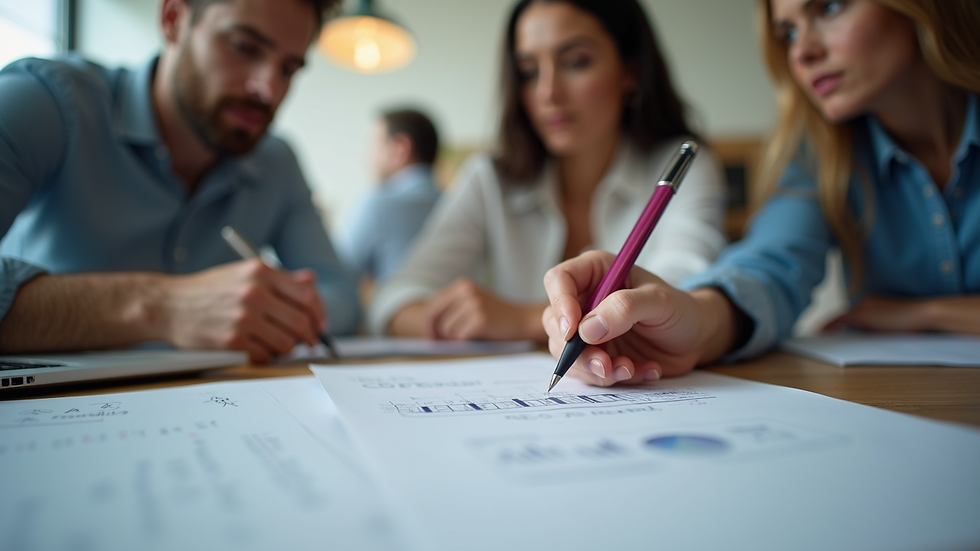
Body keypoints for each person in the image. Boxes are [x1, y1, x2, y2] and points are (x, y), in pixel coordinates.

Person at [542, 0, 980, 386]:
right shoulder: (823, 153)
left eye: (828, 8)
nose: (803, 52)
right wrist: (692, 318)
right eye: (787, 33)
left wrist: (925, 314)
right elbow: (769, 269)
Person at [0, 0, 361, 363]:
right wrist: (163, 306)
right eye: (244, 47)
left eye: (288, 69)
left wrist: (271, 307)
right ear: (173, 19)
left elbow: (341, 297)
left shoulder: (277, 162)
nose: (268, 89)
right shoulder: (43, 100)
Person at [369, 0, 728, 342]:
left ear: (630, 70)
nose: (547, 92)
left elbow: (686, 304)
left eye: (576, 62)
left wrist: (521, 320)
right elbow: (392, 302)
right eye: (528, 72)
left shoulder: (683, 168)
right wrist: (467, 316)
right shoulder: (489, 177)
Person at [336, 108, 442, 285]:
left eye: (374, 146)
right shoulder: (458, 206)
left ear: (400, 149)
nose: (368, 158)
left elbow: (334, 279)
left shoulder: (377, 205)